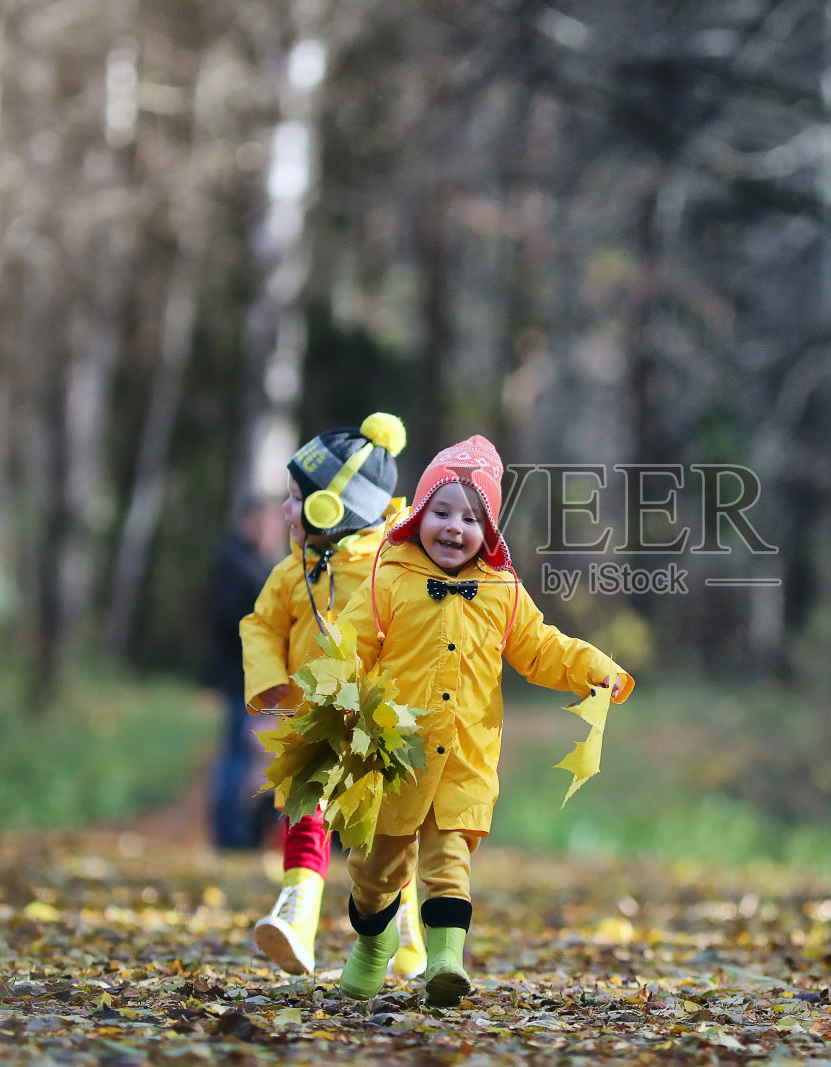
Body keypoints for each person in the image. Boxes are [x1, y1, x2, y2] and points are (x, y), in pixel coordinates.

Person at [334, 435, 633, 1005]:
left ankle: (445, 962)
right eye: (441, 512)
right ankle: (374, 943)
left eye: (471, 518)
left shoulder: (502, 591)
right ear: (419, 513)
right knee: (374, 871)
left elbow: (541, 648)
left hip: (465, 756)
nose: (453, 528)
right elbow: (352, 645)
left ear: (489, 530)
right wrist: (343, 700)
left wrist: (592, 667)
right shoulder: (388, 577)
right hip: (392, 755)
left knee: (449, 862)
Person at [239, 413, 425, 979]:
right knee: (306, 808)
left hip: (375, 722)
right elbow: (261, 626)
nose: (286, 512)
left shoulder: (389, 570)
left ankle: (407, 931)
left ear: (330, 509)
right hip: (312, 722)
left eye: (297, 500)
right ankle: (296, 916)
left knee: (387, 834)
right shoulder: (292, 573)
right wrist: (269, 678)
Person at [206, 494, 286, 850]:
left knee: (250, 753)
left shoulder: (256, 562)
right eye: (267, 522)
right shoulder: (234, 563)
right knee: (239, 753)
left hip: (255, 675)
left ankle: (243, 831)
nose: (273, 530)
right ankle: (230, 832)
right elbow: (230, 621)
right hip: (243, 675)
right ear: (248, 521)